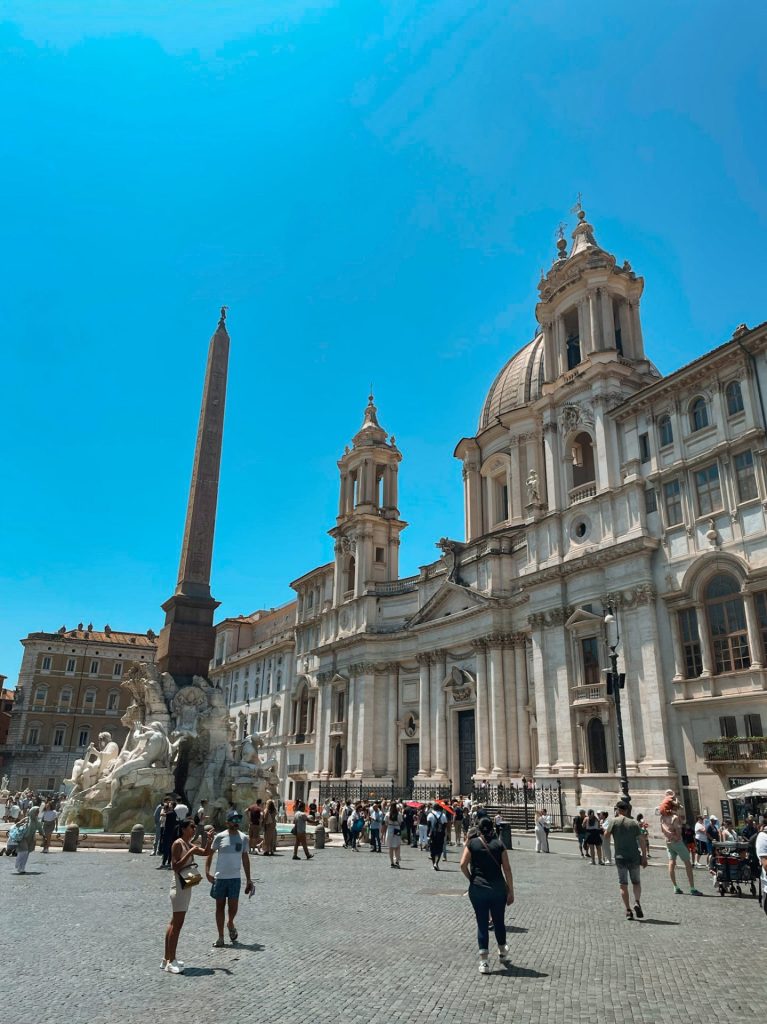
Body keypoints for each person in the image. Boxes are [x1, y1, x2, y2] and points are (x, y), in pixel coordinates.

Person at [460, 816, 514, 974]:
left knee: (482, 924)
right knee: (498, 921)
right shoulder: (499, 844)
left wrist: (472, 879)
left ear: (478, 829)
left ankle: (484, 962)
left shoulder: (472, 843)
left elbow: (463, 865)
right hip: (497, 890)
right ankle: (503, 950)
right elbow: (507, 869)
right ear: (493, 828)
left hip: (478, 889)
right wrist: (511, 890)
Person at [163, 818, 213, 973]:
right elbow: (175, 866)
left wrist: (209, 840)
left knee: (174, 923)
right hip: (178, 886)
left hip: (185, 886)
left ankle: (166, 958)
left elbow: (205, 852)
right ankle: (171, 961)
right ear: (184, 829)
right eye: (191, 827)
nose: (194, 829)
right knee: (177, 925)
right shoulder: (178, 844)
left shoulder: (187, 844)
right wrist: (190, 852)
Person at [205, 809, 254, 947]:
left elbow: (245, 858)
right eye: (234, 820)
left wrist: (249, 879)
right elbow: (210, 854)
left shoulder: (243, 838)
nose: (236, 822)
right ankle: (220, 937)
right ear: (227, 822)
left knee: (233, 908)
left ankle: (230, 922)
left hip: (235, 878)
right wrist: (207, 872)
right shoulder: (220, 837)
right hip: (220, 878)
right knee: (219, 907)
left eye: (238, 820)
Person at [604, 798, 647, 920]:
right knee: (636, 882)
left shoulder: (613, 821)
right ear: (627, 810)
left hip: (620, 857)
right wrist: (644, 857)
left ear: (618, 810)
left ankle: (628, 910)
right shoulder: (634, 823)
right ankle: (637, 902)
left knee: (623, 884)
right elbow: (642, 841)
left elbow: (606, 837)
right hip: (633, 856)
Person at [659, 796, 701, 895]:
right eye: (677, 807)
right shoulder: (675, 818)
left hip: (668, 842)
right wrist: (677, 836)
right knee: (688, 863)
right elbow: (678, 831)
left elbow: (662, 829)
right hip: (677, 842)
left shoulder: (663, 817)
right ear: (674, 807)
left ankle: (675, 887)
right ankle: (692, 888)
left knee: (671, 862)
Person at [427, 803, 447, 870]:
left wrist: (428, 835)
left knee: (432, 849)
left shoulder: (430, 815)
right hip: (440, 834)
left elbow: (428, 826)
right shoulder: (443, 815)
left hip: (432, 834)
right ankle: (436, 863)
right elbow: (445, 826)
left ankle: (433, 864)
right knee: (439, 849)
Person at [385, 801, 403, 868]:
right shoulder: (399, 814)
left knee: (390, 847)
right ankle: (397, 861)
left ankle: (392, 862)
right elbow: (401, 823)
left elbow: (386, 822)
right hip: (397, 829)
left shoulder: (387, 814)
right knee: (397, 846)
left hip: (390, 829)